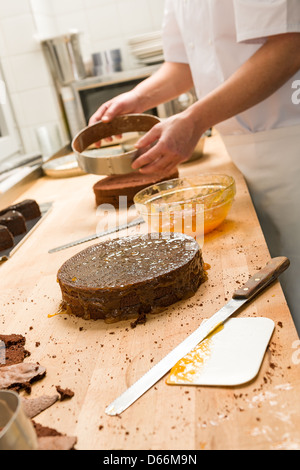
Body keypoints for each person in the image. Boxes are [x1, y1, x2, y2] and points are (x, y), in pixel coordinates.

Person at [89, 0, 300, 334]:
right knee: (283, 294)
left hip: (291, 146)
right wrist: (135, 100)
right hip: (243, 154)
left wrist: (194, 119)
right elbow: (185, 63)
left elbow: (289, 46)